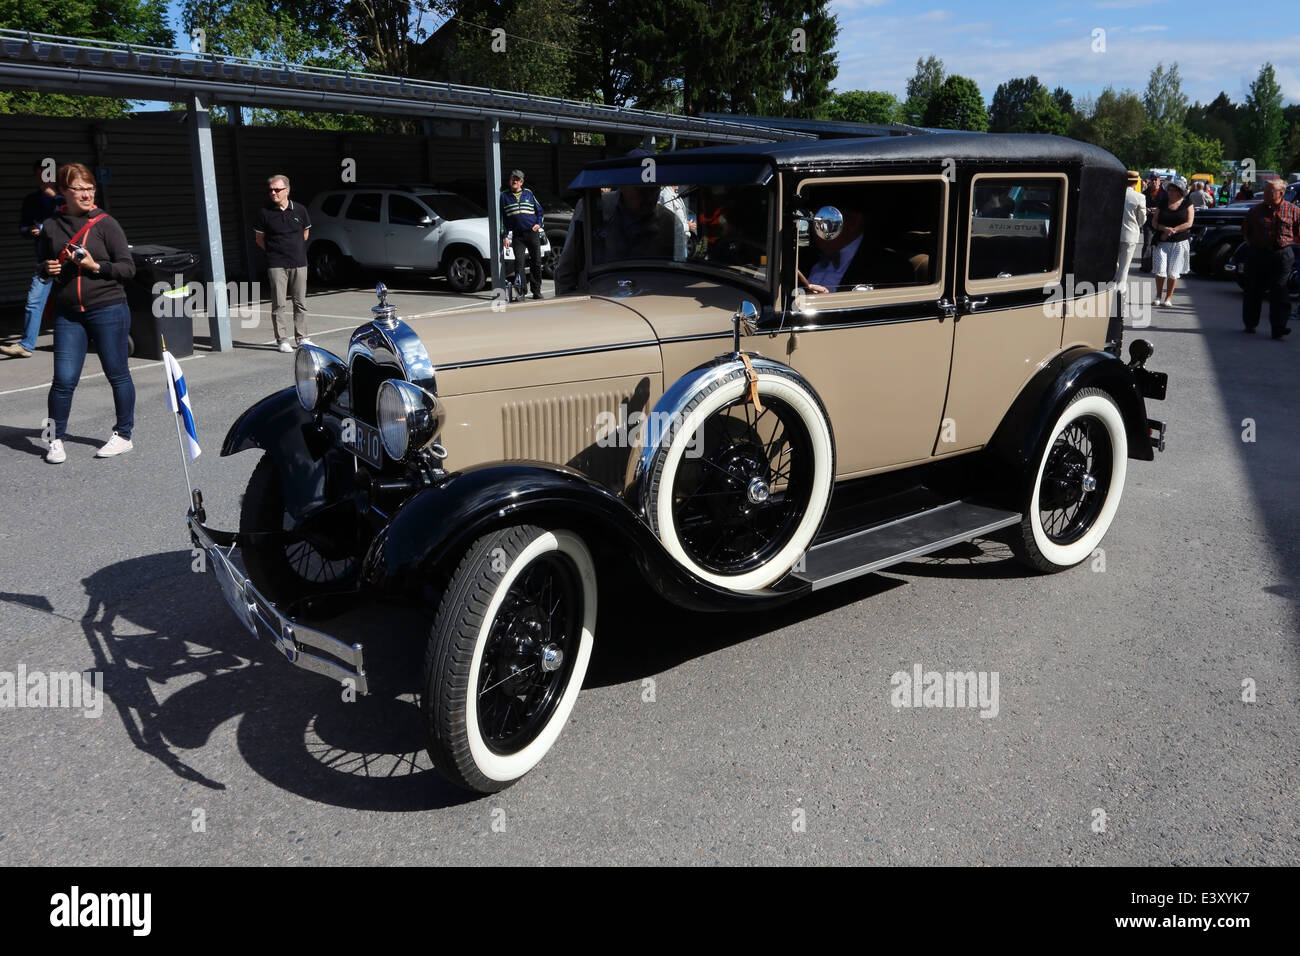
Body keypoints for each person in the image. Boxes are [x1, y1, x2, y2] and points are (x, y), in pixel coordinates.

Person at [40, 162, 137, 463]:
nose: (85, 194)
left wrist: (96, 266)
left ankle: (123, 435)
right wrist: (46, 268)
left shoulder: (106, 223)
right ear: (63, 192)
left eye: (89, 188)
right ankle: (56, 439)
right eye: (78, 189)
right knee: (63, 380)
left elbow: (129, 268)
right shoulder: (51, 226)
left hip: (108, 308)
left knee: (117, 373)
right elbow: (42, 264)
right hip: (69, 313)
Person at [2, 161, 63, 359]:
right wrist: (30, 230)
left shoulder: (68, 197)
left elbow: (77, 218)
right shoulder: (31, 200)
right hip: (45, 259)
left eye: (45, 175)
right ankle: (26, 345)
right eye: (38, 175)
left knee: (75, 302)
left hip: (69, 259)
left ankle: (90, 337)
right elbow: (23, 227)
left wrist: (54, 196)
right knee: (34, 301)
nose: (41, 179)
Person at [798, 204, 915, 294]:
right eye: (813, 220)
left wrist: (825, 304)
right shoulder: (801, 258)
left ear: (853, 222)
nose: (814, 227)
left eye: (824, 221)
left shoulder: (892, 268)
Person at [254, 173, 312, 352]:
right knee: (279, 304)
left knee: (300, 302)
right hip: (276, 264)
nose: (273, 193)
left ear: (287, 190)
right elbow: (259, 239)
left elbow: (305, 234)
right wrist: (275, 253)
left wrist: (294, 249)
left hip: (299, 262)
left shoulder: (300, 210)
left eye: (277, 190)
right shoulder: (265, 213)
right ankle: (282, 340)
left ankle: (302, 338)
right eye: (270, 190)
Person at [1240, 177, 1298, 339]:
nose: (1264, 193)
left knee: (1280, 289)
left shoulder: (1293, 210)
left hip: (1282, 255)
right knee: (1253, 289)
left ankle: (1279, 327)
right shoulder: (1255, 211)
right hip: (1258, 253)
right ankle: (1250, 323)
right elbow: (1245, 231)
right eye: (1264, 190)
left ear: (1281, 193)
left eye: (1269, 191)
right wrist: (1254, 246)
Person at [500, 169, 545, 300]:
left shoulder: (529, 193)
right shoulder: (504, 196)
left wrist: (539, 223)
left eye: (517, 179)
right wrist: (505, 236)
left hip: (532, 233)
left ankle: (536, 291)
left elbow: (540, 211)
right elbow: (503, 218)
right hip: (518, 236)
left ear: (521, 182)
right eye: (512, 179)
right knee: (519, 264)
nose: (514, 181)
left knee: (536, 262)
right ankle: (521, 292)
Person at [1149, 177, 1193, 307]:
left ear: (1180, 192)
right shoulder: (1162, 202)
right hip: (1162, 241)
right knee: (1160, 269)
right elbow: (1154, 222)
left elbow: (1189, 222)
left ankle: (1168, 297)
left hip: (1179, 242)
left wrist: (1174, 230)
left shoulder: (1187, 203)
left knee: (1173, 272)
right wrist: (1164, 229)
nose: (1171, 192)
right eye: (1169, 190)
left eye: (1174, 190)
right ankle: (1158, 295)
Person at [1114, 170, 1145, 315]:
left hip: (1114, 234)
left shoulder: (1114, 194)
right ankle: (1119, 296)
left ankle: (1110, 290)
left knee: (1114, 264)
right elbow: (1142, 219)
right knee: (1124, 268)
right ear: (1136, 182)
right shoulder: (1139, 197)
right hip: (1130, 235)